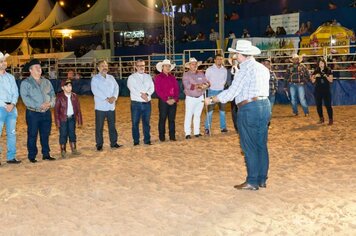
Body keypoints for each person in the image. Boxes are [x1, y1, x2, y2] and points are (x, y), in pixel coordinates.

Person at [205, 39, 271, 191]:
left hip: (249, 108)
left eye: (235, 54)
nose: (234, 56)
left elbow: (231, 93)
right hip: (264, 106)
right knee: (261, 144)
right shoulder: (262, 68)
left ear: (241, 54)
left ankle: (252, 181)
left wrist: (213, 99)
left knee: (249, 146)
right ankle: (262, 179)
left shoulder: (244, 70)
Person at [20, 59, 56, 163]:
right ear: (30, 70)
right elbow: (25, 99)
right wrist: (39, 105)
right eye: (36, 67)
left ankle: (46, 154)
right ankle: (32, 155)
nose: (39, 69)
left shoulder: (47, 82)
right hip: (33, 113)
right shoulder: (25, 83)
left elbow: (53, 95)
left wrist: (49, 104)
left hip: (46, 112)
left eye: (39, 67)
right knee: (32, 134)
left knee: (45, 134)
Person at [91, 60, 122, 151]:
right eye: (102, 66)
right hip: (100, 106)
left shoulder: (111, 77)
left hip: (111, 106)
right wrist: (107, 98)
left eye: (106, 65)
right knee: (99, 126)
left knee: (112, 126)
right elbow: (95, 91)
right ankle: (99, 144)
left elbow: (116, 88)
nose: (104, 67)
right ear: (98, 68)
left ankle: (114, 142)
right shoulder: (95, 79)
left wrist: (114, 97)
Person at [127, 59, 155, 146]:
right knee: (135, 123)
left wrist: (147, 94)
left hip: (147, 103)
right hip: (136, 103)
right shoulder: (131, 77)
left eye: (143, 65)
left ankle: (147, 140)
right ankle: (136, 141)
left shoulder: (148, 76)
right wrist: (142, 95)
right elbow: (132, 88)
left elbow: (152, 88)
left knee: (146, 122)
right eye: (139, 66)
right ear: (136, 67)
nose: (141, 67)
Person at [0, 52, 21, 165]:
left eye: (5, 61)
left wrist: (12, 104)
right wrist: (5, 105)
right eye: (2, 61)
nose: (4, 63)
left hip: (11, 108)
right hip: (1, 107)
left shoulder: (11, 77)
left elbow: (15, 92)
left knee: (12, 133)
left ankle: (11, 157)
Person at [54, 79, 83, 158]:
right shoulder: (59, 97)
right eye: (67, 86)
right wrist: (57, 122)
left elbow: (78, 109)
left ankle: (74, 149)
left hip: (72, 118)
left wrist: (79, 120)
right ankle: (63, 150)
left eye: (70, 85)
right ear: (63, 88)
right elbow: (56, 111)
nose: (69, 87)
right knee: (63, 135)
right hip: (63, 119)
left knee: (72, 134)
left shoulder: (75, 96)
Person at [182, 58, 210, 139]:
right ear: (189, 66)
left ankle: (196, 132)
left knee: (198, 115)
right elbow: (187, 85)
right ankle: (187, 133)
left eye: (195, 64)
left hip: (200, 97)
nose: (194, 66)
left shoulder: (201, 73)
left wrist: (206, 85)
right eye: (192, 64)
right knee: (188, 115)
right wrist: (198, 86)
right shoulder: (186, 74)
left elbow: (207, 82)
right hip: (190, 97)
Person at [154, 59, 179, 142]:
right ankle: (162, 137)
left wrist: (174, 99)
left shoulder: (173, 77)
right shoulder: (158, 77)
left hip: (172, 100)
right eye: (166, 66)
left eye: (169, 66)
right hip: (163, 101)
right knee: (163, 118)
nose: (168, 67)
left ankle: (172, 136)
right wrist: (166, 99)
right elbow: (158, 90)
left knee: (172, 119)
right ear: (162, 67)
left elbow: (177, 89)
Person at [204, 54, 228, 134]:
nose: (219, 60)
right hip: (212, 92)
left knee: (222, 111)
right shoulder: (209, 69)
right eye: (218, 59)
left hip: (221, 91)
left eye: (221, 59)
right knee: (210, 112)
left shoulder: (224, 70)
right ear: (214, 60)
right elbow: (206, 80)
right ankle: (207, 128)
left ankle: (223, 127)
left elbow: (224, 81)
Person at [311, 58, 334, 125]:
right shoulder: (316, 70)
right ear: (318, 64)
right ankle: (321, 118)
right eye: (320, 63)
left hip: (326, 90)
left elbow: (331, 80)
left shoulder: (328, 70)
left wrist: (326, 76)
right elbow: (312, 81)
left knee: (328, 105)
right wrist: (315, 76)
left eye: (322, 63)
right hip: (318, 90)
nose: (321, 64)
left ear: (324, 63)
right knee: (318, 105)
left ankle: (330, 119)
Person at [226, 54, 239, 133]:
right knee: (234, 110)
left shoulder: (242, 70)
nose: (235, 62)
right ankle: (236, 127)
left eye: (236, 60)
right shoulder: (228, 71)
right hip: (233, 93)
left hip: (241, 93)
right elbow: (228, 81)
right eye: (233, 61)